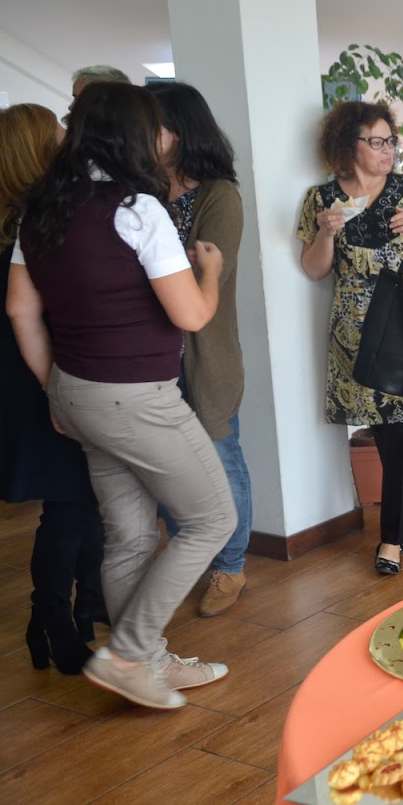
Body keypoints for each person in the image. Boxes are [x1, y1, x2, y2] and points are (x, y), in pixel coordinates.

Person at [7, 82, 235, 710]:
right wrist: (210, 272)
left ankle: (148, 663)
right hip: (136, 397)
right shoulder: (137, 210)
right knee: (213, 519)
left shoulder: (41, 208)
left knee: (130, 534)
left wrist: (56, 389)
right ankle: (131, 654)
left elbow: (21, 310)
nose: (166, 137)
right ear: (133, 134)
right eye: (158, 126)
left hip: (77, 392)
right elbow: (191, 315)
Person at [0, 104, 106, 674]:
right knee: (73, 503)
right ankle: (57, 622)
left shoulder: (6, 227)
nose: (68, 146)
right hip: (45, 377)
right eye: (57, 139)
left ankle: (66, 618)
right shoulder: (37, 226)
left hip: (18, 381)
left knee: (75, 501)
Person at [298, 101, 403, 575]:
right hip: (353, 333)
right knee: (384, 432)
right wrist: (325, 234)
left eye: (390, 141)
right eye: (375, 141)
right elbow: (315, 269)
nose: (387, 150)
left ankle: (392, 539)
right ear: (347, 145)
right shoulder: (321, 199)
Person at [152, 82, 251, 616]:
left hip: (205, 355)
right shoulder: (141, 190)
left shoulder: (218, 195)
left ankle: (230, 567)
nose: (143, 135)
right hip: (149, 357)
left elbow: (209, 276)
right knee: (166, 466)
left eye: (154, 125)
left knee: (221, 457)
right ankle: (188, 558)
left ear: (180, 130)